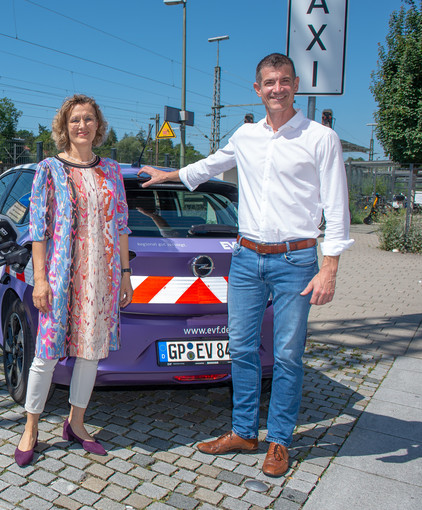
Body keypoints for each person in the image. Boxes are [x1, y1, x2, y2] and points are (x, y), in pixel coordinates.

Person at [138, 53, 353, 477]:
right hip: (246, 258)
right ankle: (242, 432)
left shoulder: (321, 138)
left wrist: (329, 267)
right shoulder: (246, 135)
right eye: (269, 82)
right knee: (240, 349)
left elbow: (337, 206)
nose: (277, 88)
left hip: (297, 259)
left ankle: (279, 441)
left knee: (289, 356)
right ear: (257, 89)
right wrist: (168, 175)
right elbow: (210, 165)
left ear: (296, 85)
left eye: (284, 81)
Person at [14, 94, 133, 467]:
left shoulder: (112, 171)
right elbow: (38, 229)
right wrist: (40, 280)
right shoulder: (48, 169)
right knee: (46, 355)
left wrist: (126, 275)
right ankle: (31, 428)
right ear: (64, 128)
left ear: (99, 125)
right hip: (60, 278)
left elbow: (122, 225)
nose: (82, 126)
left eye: (89, 119)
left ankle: (76, 423)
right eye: (75, 120)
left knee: (90, 353)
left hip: (103, 277)